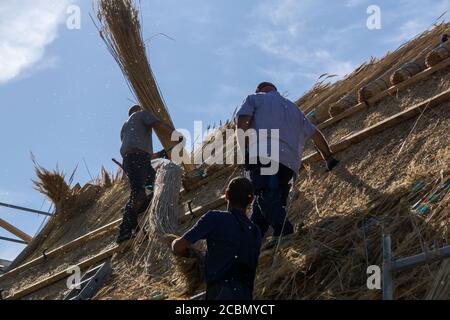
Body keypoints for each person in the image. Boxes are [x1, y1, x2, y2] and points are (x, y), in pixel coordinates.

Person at [236, 82, 339, 239]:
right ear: (275, 90)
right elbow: (315, 134)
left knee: (266, 196)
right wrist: (328, 157)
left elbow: (242, 123)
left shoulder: (254, 99)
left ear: (259, 90)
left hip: (264, 155)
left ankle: (284, 232)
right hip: (289, 164)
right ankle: (251, 242)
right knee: (264, 204)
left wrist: (244, 153)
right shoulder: (294, 109)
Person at [172, 177, 262, 300]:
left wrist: (180, 247)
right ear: (251, 200)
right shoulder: (255, 232)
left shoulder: (215, 218)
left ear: (226, 195)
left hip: (221, 293)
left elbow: (179, 246)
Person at [117, 105, 176, 243]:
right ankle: (125, 230)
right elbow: (159, 124)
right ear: (139, 110)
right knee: (138, 193)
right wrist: (175, 134)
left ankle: (133, 212)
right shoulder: (142, 114)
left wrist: (161, 154)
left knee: (155, 185)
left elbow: (138, 151)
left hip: (133, 160)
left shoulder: (125, 127)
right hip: (137, 159)